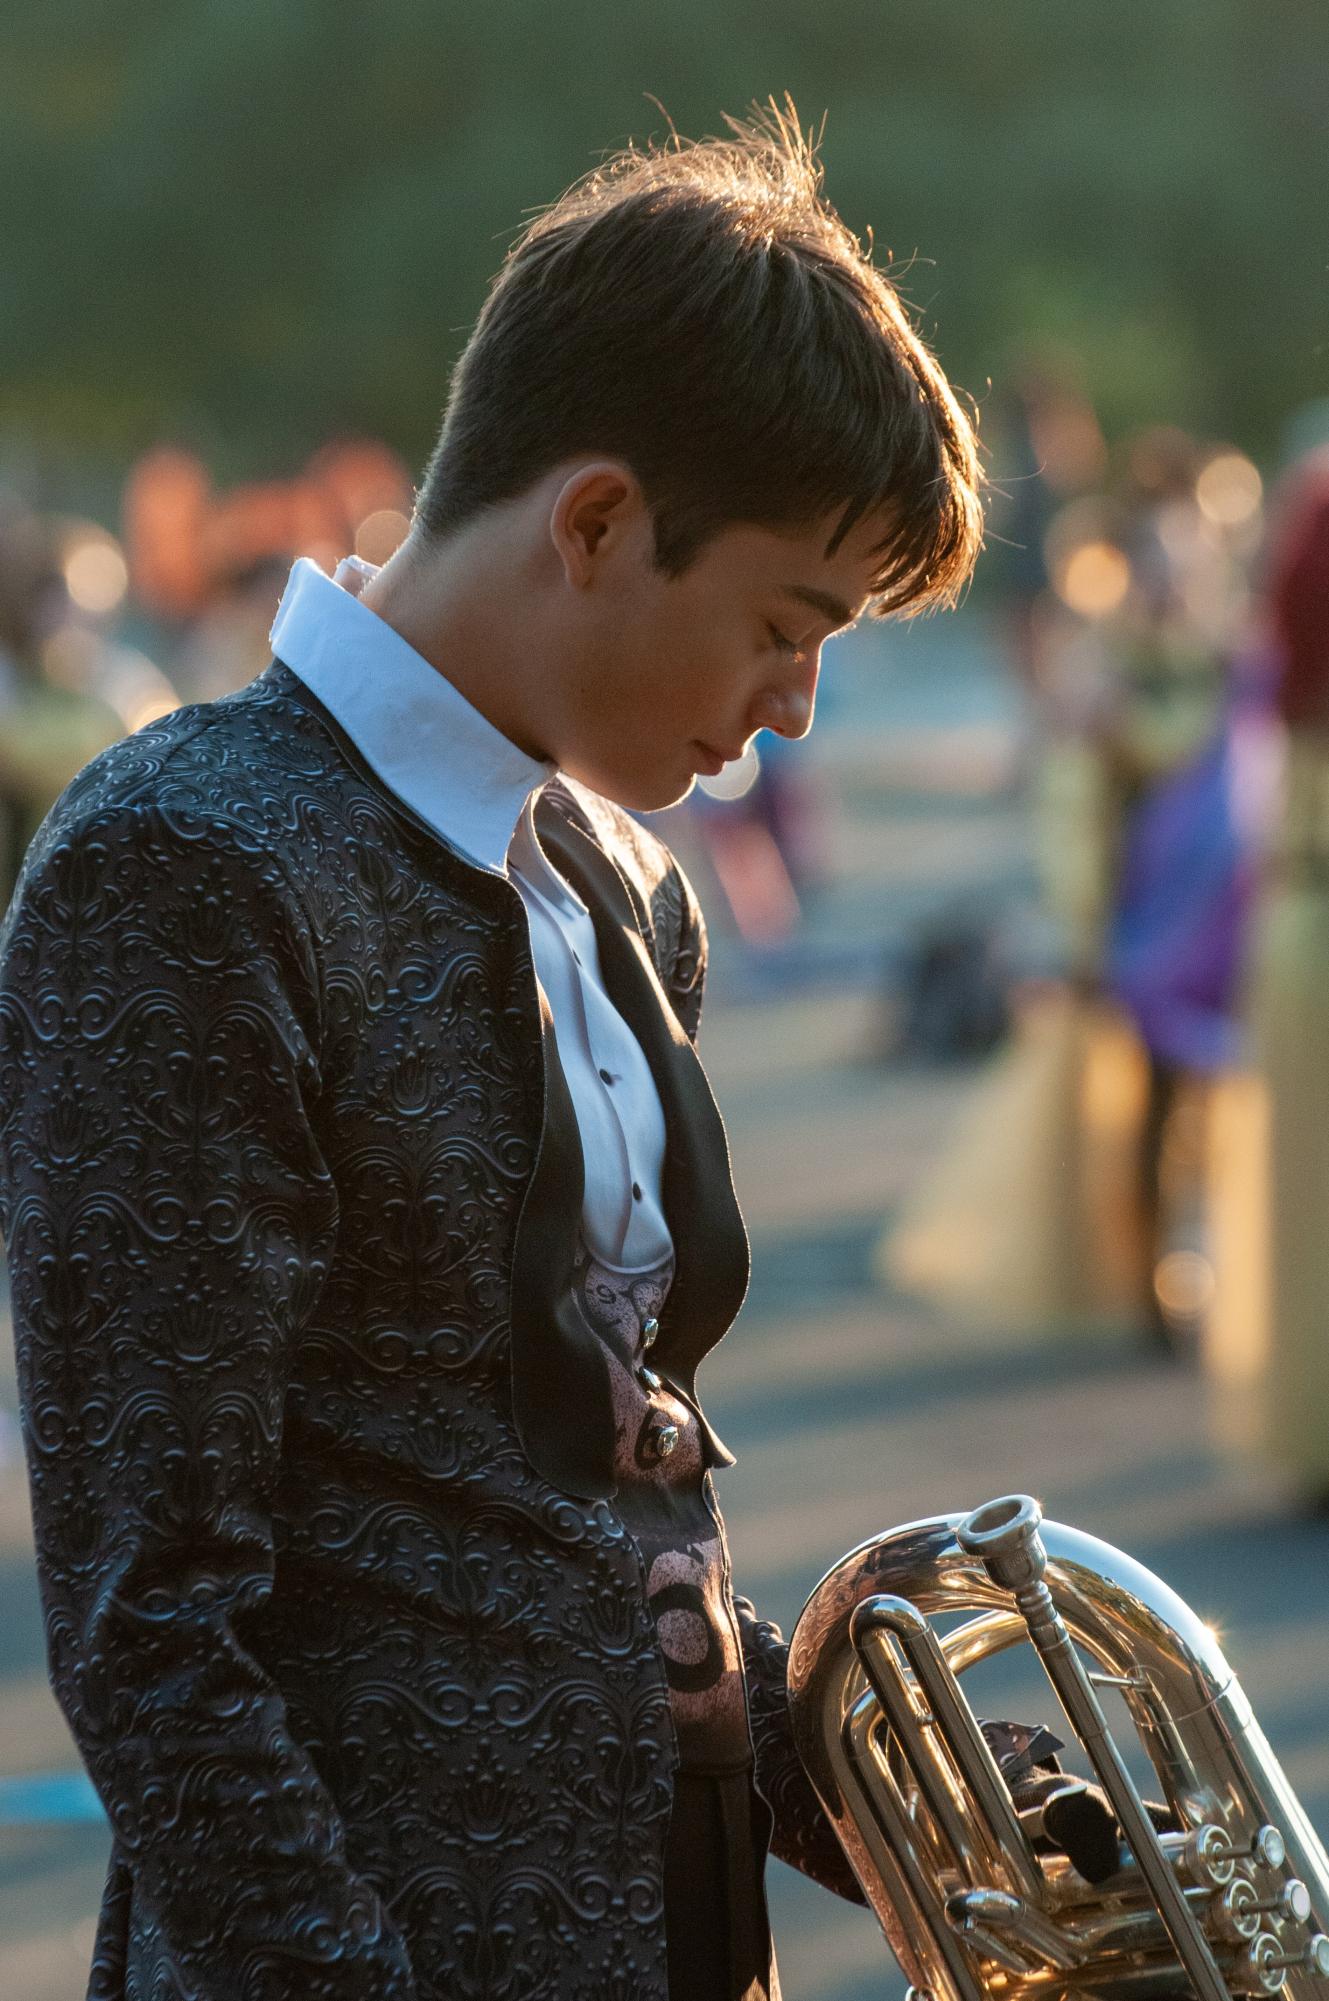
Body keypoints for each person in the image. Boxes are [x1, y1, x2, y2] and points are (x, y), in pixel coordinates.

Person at [0, 112, 984, 2000]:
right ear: (596, 520)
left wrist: (967, 1808)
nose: (796, 706)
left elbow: (586, 1553)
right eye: (787, 627)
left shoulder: (629, 885)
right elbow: (153, 1627)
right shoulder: (183, 861)